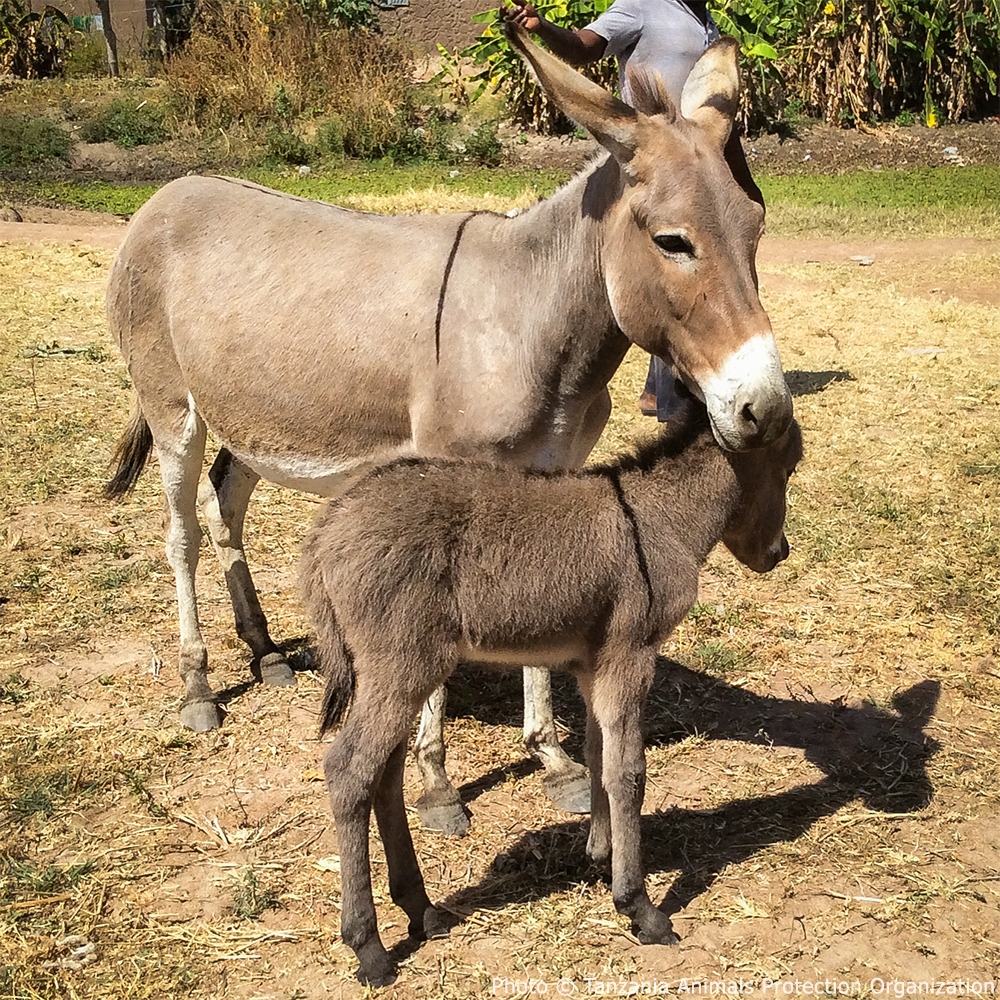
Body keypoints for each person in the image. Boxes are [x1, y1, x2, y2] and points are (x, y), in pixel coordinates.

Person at [502, 0, 764, 421]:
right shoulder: (639, 7)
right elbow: (584, 47)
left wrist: (742, 183)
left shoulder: (707, 20)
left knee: (695, 272)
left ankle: (656, 389)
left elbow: (714, 118)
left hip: (696, 169)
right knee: (670, 270)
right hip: (653, 172)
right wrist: (543, 27)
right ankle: (674, 400)